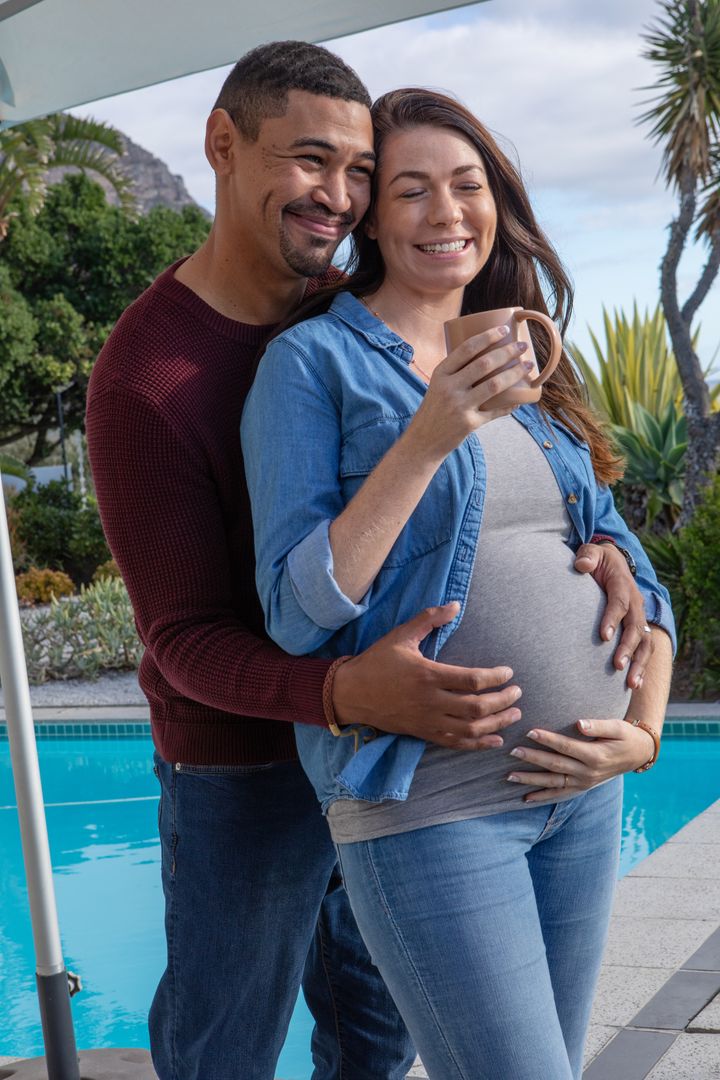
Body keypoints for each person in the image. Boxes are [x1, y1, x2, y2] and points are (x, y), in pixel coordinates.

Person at [86, 42, 655, 1080]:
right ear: (223, 144)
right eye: (311, 160)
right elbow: (183, 636)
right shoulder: (150, 378)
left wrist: (607, 548)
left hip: (413, 752)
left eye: (358, 170)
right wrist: (347, 693)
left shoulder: (376, 317)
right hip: (251, 762)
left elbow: (523, 495)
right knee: (227, 1044)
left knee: (376, 1043)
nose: (340, 196)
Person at [241, 87, 676, 1080]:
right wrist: (428, 437)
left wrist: (646, 733)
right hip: (430, 807)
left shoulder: (524, 357)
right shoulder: (310, 366)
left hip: (583, 797)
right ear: (371, 218)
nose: (447, 212)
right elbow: (297, 613)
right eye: (411, 190)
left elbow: (633, 572)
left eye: (467, 184)